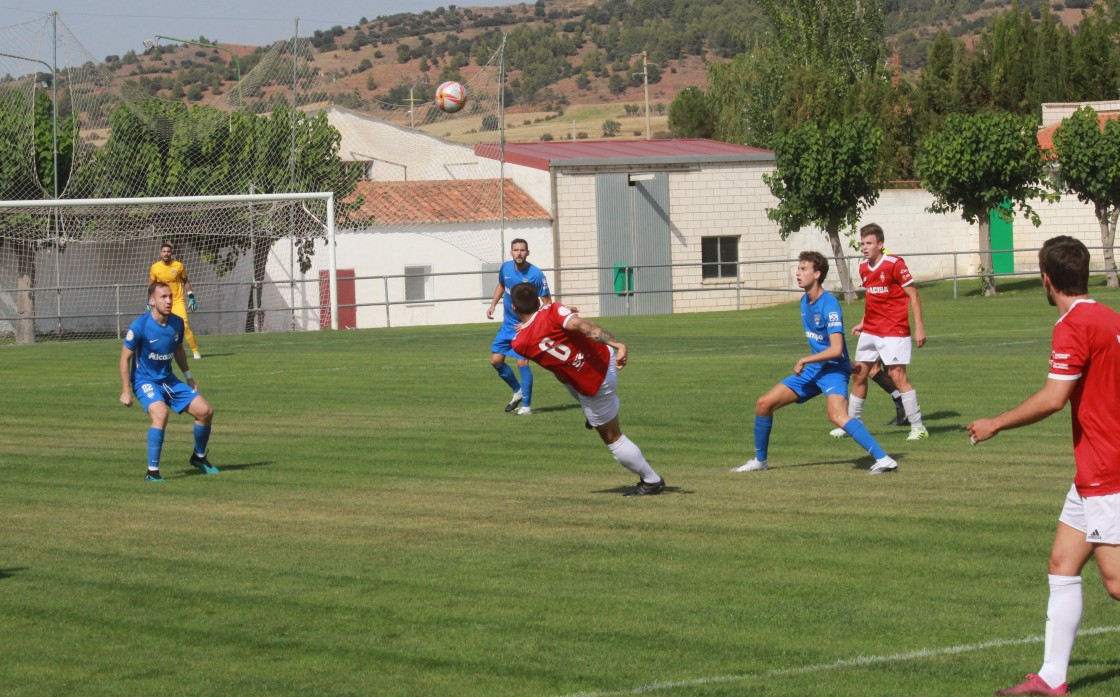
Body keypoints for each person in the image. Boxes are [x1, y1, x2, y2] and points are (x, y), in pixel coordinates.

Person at [968, 236, 1120, 697]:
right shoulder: (1110, 317)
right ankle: (1052, 677)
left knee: (1115, 583)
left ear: (1046, 279)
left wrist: (996, 422)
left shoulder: (1072, 325)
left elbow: (1055, 398)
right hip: (1095, 468)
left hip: (1106, 470)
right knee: (1061, 563)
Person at [733, 251, 898, 475]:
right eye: (798, 268)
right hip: (816, 370)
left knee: (837, 415)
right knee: (764, 404)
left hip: (832, 371)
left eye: (803, 269)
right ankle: (760, 461)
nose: (798, 273)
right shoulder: (804, 301)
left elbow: (836, 347)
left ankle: (884, 459)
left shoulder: (829, 305)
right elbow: (825, 345)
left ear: (817, 274)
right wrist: (846, 362)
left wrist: (807, 359)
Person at [508, 282, 665, 496]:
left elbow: (538, 336)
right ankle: (591, 412)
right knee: (564, 377)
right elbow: (582, 326)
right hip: (604, 357)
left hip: (595, 383)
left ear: (514, 308)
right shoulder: (553, 310)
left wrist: (534, 326)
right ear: (538, 300)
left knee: (612, 437)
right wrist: (617, 345)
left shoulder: (519, 343)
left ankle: (652, 479)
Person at [830, 224, 928, 441]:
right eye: (862, 243)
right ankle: (852, 424)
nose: (864, 247)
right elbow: (874, 300)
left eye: (869, 243)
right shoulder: (864, 267)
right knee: (859, 374)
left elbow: (913, 295)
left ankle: (918, 427)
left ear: (880, 245)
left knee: (897, 376)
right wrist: (863, 323)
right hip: (871, 330)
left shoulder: (894, 264)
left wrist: (919, 327)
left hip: (894, 330)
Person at [120, 281, 218, 482]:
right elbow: (124, 358)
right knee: (161, 414)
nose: (169, 301)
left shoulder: (177, 323)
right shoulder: (140, 326)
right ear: (152, 301)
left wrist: (189, 377)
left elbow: (179, 350)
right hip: (144, 380)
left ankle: (199, 457)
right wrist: (126, 390)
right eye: (163, 297)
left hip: (168, 380)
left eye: (170, 296)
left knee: (205, 412)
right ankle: (152, 472)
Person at [486, 239, 551, 415]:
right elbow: (501, 285)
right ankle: (518, 391)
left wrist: (529, 323)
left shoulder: (536, 275)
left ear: (528, 253)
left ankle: (527, 407)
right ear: (511, 252)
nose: (519, 253)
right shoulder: (506, 268)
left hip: (524, 327)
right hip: (507, 325)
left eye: (522, 250)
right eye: (516, 250)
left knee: (522, 361)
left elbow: (547, 303)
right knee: (496, 361)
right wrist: (493, 305)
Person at [149, 242, 202, 360]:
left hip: (177, 301)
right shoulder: (155, 267)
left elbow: (186, 281)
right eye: (164, 251)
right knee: (158, 326)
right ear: (160, 253)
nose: (166, 254)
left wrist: (191, 297)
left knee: (184, 325)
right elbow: (152, 285)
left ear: (171, 253)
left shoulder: (178, 266)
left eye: (168, 251)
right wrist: (150, 301)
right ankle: (162, 352)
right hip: (162, 302)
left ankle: (195, 351)